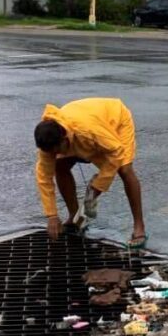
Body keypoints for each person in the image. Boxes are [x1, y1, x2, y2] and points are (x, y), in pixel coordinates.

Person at [34, 98, 147, 249]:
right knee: (59, 165)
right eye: (51, 152)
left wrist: (97, 187)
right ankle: (76, 218)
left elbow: (116, 152)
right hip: (85, 125)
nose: (56, 154)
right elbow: (44, 179)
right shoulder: (48, 144)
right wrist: (52, 215)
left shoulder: (87, 131)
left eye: (58, 150)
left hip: (115, 120)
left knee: (124, 170)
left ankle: (139, 227)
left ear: (65, 138)